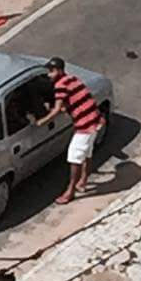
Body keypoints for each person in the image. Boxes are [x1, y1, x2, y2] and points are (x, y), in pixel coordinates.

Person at [36, 56, 104, 205]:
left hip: (85, 125)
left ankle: (70, 191)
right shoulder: (72, 79)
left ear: (59, 71)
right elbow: (72, 101)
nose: (49, 75)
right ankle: (83, 180)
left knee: (74, 157)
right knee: (87, 152)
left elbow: (56, 111)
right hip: (95, 119)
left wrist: (41, 122)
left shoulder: (60, 85)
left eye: (51, 71)